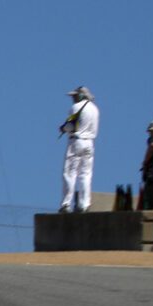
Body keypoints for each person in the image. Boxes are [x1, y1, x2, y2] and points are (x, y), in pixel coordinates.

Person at [59, 85, 100, 213]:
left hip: (76, 141)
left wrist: (63, 128)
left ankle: (66, 204)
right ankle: (85, 204)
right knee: (86, 174)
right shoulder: (95, 109)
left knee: (70, 173)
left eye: (74, 96)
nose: (73, 98)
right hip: (90, 143)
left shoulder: (76, 107)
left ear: (80, 95)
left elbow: (70, 125)